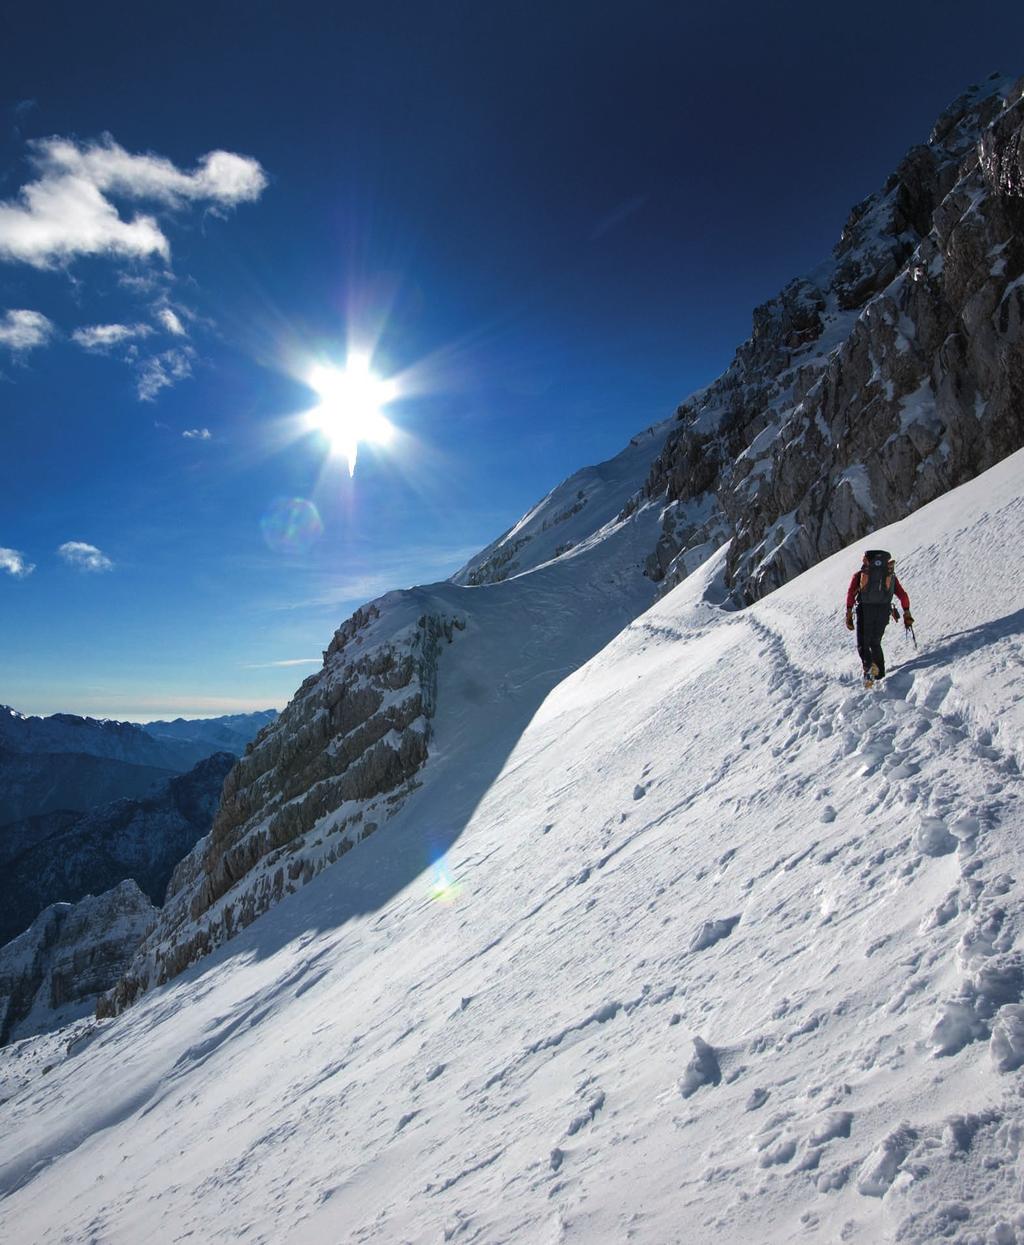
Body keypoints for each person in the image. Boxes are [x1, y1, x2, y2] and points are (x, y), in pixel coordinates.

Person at [844, 550, 914, 686]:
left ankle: (870, 671)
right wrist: (906, 612)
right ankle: (880, 674)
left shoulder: (859, 575)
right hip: (883, 611)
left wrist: (848, 613)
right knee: (875, 642)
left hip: (865, 610)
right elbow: (903, 595)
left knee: (863, 644)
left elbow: (850, 595)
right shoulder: (890, 577)